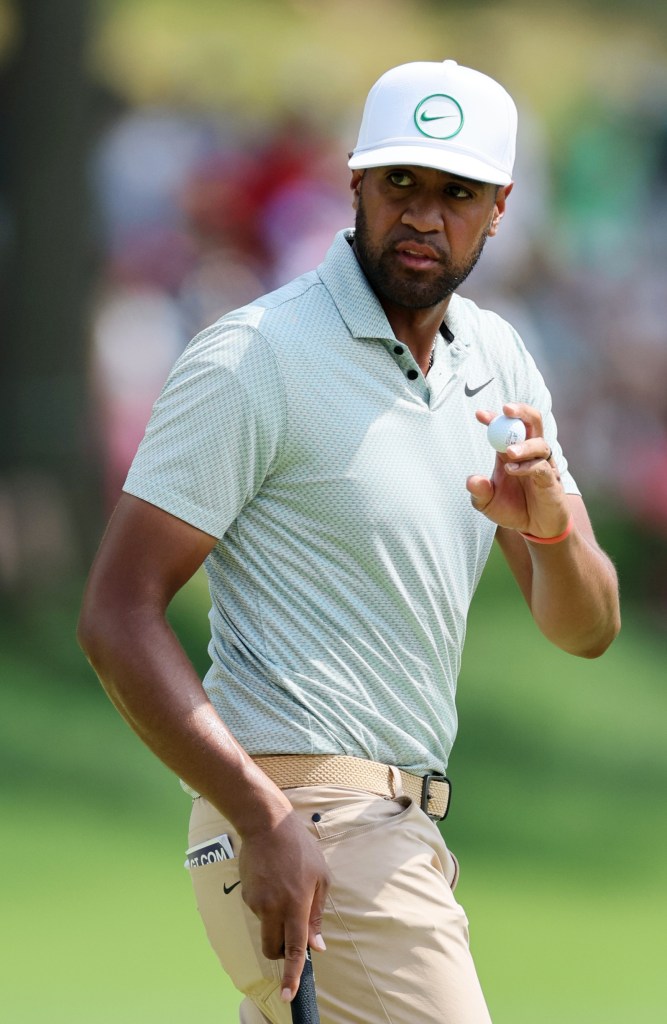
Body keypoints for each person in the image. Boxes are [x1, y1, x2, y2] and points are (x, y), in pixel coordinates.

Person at [78, 59, 621, 1024]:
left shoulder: (495, 361)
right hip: (311, 824)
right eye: (399, 184)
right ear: (354, 184)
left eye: (455, 193)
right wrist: (260, 815)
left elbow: (585, 628)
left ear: (499, 208)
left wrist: (549, 530)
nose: (423, 216)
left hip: (392, 833)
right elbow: (116, 614)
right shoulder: (256, 357)